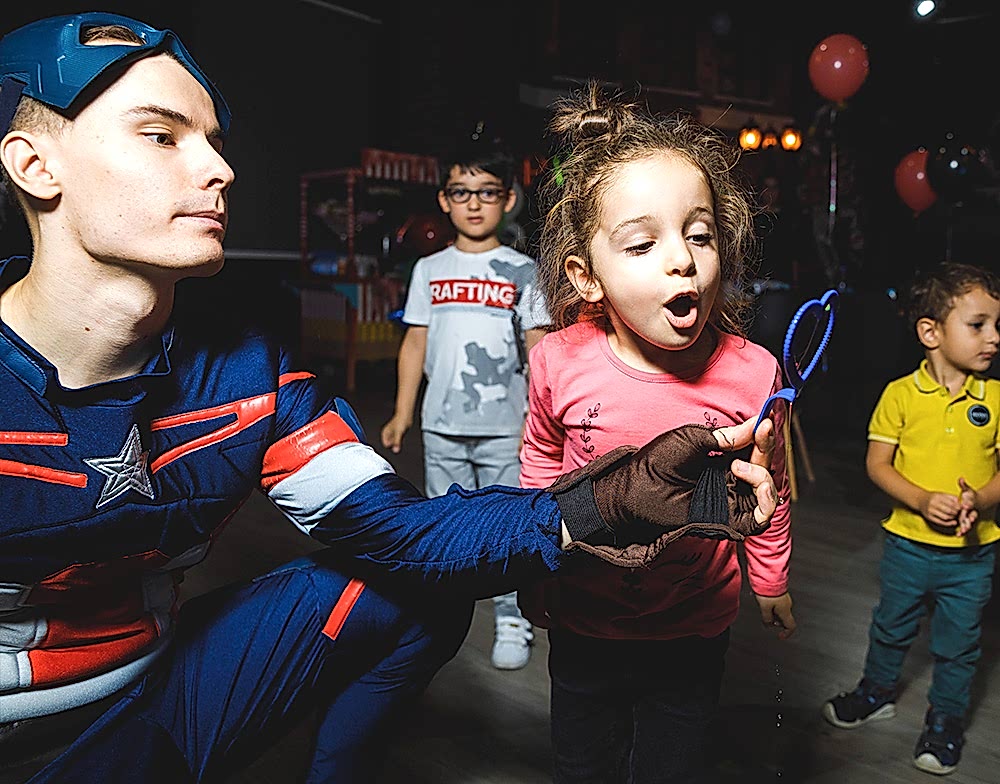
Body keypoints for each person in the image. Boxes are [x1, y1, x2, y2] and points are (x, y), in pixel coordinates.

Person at [0, 13, 781, 784]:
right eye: (161, 135)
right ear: (36, 166)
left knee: (423, 591)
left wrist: (610, 499)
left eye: (215, 141)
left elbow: (407, 538)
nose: (220, 170)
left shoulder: (246, 375)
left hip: (159, 697)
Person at [517, 82, 797, 784]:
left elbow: (769, 484)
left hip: (693, 624)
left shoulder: (753, 373)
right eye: (643, 243)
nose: (682, 259)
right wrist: (531, 565)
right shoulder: (557, 360)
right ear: (588, 277)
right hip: (583, 616)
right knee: (583, 763)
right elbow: (541, 461)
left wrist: (770, 578)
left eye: (699, 234)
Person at [822, 262, 1000, 777]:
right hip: (908, 547)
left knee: (960, 645)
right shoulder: (899, 395)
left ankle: (945, 721)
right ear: (930, 332)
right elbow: (877, 465)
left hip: (972, 556)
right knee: (890, 627)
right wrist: (922, 500)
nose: (994, 337)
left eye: (996, 325)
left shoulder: (995, 398)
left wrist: (980, 497)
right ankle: (876, 692)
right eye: (978, 325)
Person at [380, 142, 549, 670]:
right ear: (444, 200)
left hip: (507, 425)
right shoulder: (429, 269)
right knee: (446, 522)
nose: (473, 203)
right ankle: (441, 614)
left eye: (487, 192)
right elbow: (415, 342)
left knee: (509, 523)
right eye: (461, 192)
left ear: (508, 199)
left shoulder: (524, 271)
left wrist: (544, 419)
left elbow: (540, 350)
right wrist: (403, 412)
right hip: (442, 423)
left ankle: (512, 617)